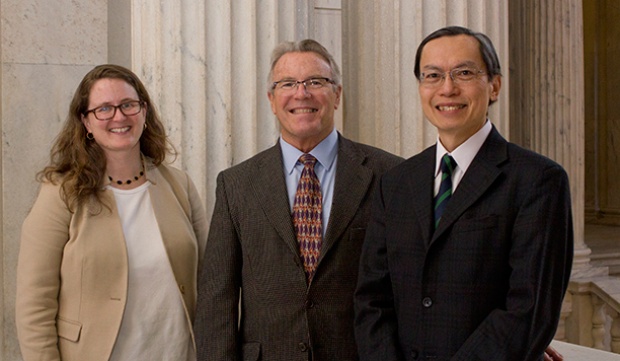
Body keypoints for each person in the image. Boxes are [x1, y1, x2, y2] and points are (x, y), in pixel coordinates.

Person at [354, 26, 573, 360]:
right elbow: (372, 300)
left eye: (464, 73)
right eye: (432, 75)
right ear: (420, 87)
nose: (447, 88)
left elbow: (528, 311)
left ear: (494, 85)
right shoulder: (396, 183)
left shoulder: (539, 181)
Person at [193, 39, 402, 361]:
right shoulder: (237, 184)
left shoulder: (388, 174)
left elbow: (405, 287)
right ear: (272, 100)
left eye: (315, 82)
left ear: (337, 95)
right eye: (288, 83)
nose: (301, 93)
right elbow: (216, 300)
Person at [15, 64, 207, 361]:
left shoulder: (179, 185)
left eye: (128, 105)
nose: (119, 116)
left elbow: (209, 279)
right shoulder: (60, 193)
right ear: (86, 122)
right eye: (103, 109)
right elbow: (34, 306)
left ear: (144, 112)